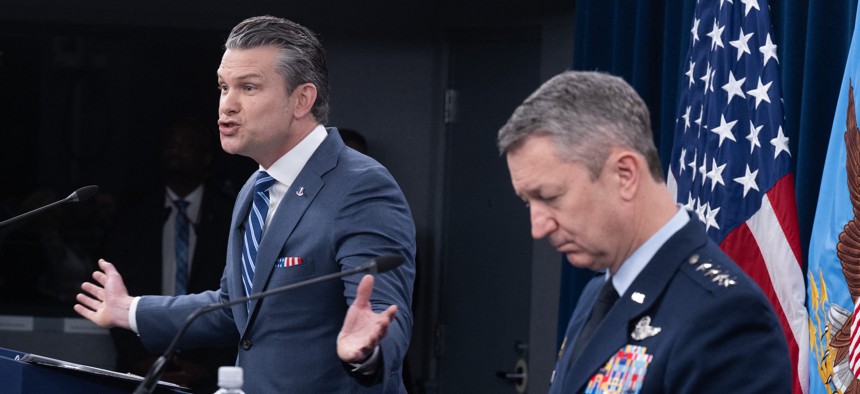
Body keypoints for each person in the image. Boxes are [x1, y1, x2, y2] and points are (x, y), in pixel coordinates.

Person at [74, 15, 416, 393]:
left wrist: (366, 354)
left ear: (302, 99)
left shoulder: (361, 186)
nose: (227, 105)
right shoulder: (256, 186)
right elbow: (236, 307)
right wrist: (131, 310)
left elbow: (382, 317)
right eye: (223, 87)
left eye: (248, 88)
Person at [496, 71, 791, 393]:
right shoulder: (596, 295)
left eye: (550, 197)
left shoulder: (726, 316)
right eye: (528, 203)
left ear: (625, 174)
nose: (538, 227)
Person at [105, 118, 237, 392]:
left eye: (187, 145)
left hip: (209, 372)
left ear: (206, 157)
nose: (176, 152)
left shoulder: (230, 215)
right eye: (170, 145)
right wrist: (139, 359)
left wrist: (210, 367)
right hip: (141, 368)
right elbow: (114, 292)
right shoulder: (133, 216)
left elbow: (237, 298)